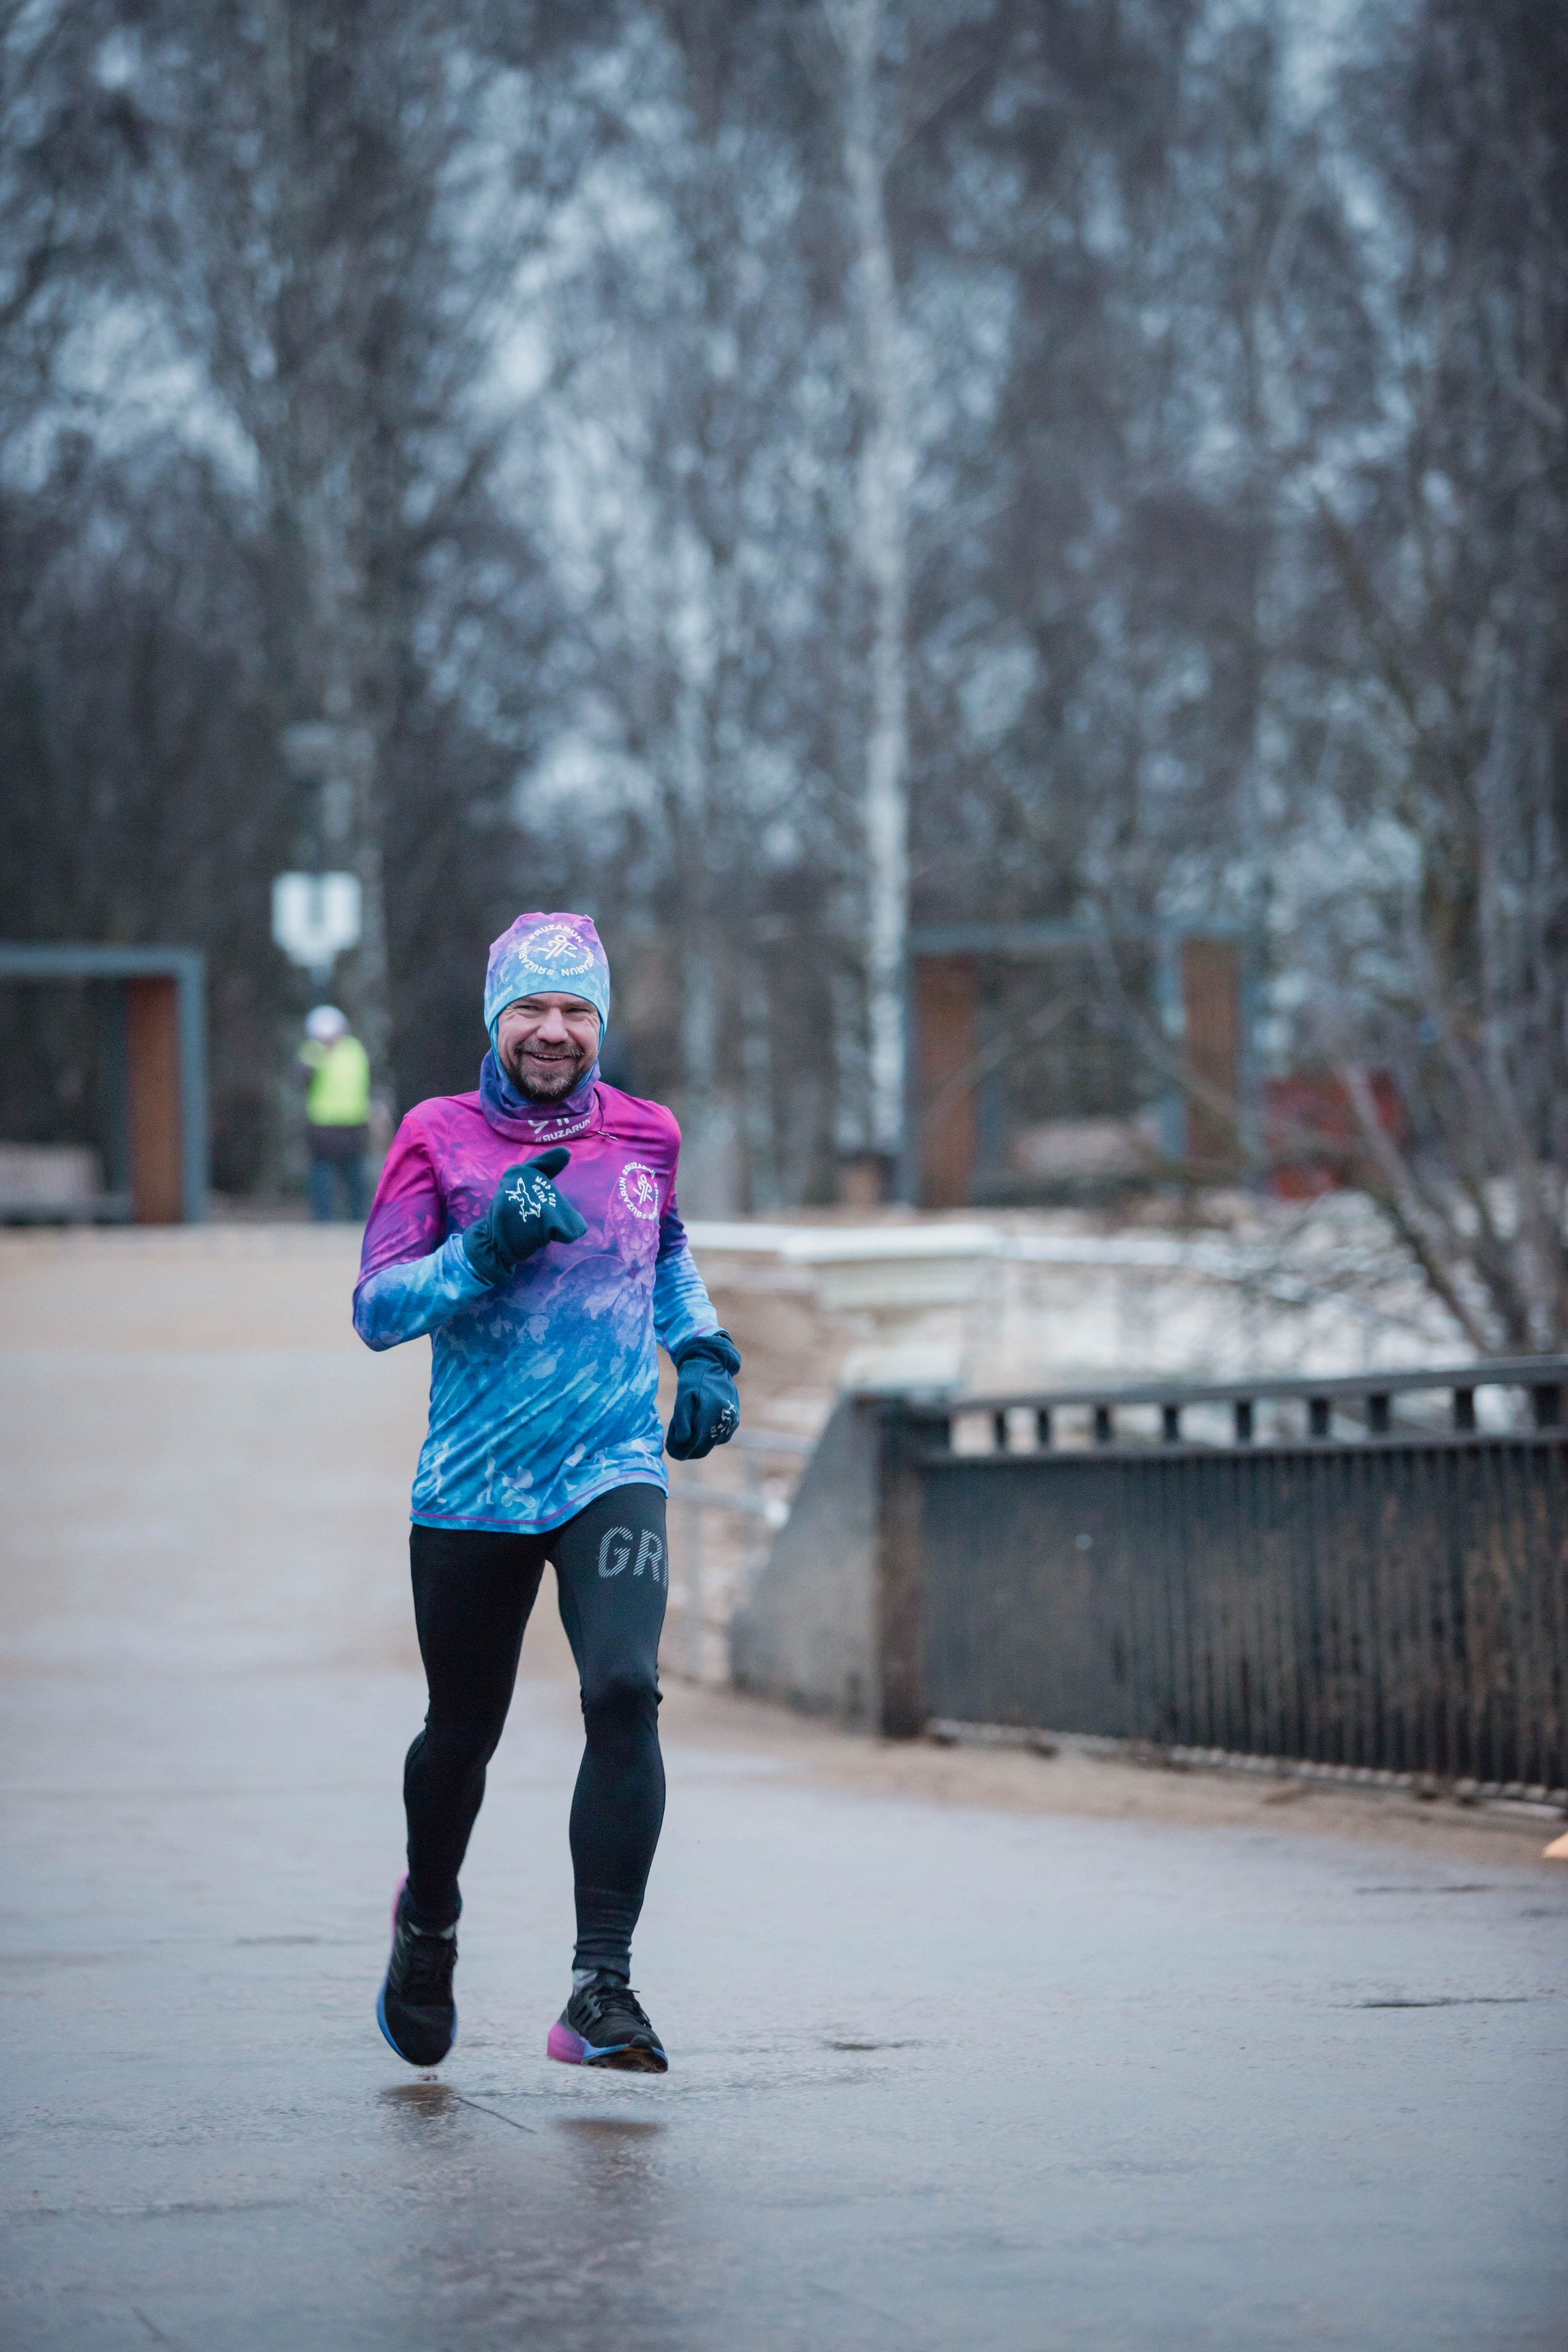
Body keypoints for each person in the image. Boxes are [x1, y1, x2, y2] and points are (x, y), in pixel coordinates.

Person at [353, 912, 741, 2075]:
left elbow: (663, 1250)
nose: (555, 1030)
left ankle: (600, 1988)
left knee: (623, 1691)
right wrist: (485, 1247)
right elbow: (378, 1310)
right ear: (496, 1019)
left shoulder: (647, 1132)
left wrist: (704, 1352)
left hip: (610, 1464)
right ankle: (428, 1922)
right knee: (461, 1732)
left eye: (577, 1010)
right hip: (474, 1482)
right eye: (532, 1008)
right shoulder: (437, 1137)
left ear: (600, 1021)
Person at [299, 1006, 372, 1221]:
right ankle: (323, 1220)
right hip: (323, 1125)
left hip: (353, 1123)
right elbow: (301, 1076)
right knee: (322, 1176)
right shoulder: (312, 1051)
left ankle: (358, 1218)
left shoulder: (353, 1049)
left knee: (355, 1176)